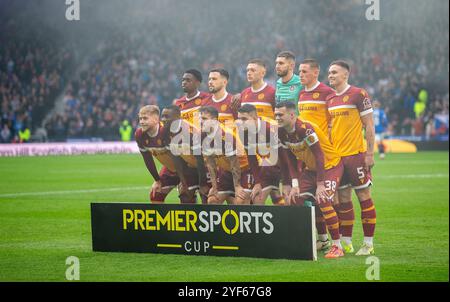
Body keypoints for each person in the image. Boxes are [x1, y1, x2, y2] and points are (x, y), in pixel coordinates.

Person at [275, 101, 345, 258]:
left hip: (330, 166)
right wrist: (294, 184)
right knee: (294, 199)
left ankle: (337, 246)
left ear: (292, 115)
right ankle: (312, 240)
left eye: (280, 114)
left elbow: (320, 156)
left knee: (323, 198)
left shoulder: (305, 129)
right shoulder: (280, 132)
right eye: (276, 114)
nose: (277, 117)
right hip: (311, 170)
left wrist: (320, 184)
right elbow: (290, 160)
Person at [327, 60, 377, 256]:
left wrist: (370, 153)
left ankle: (368, 243)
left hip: (356, 155)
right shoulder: (330, 99)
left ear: (345, 75)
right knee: (344, 199)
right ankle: (346, 242)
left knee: (364, 196)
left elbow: (369, 125)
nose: (330, 75)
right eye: (329, 73)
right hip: (338, 159)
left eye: (334, 72)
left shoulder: (358, 94)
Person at [298, 58, 337, 251]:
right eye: (300, 71)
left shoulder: (327, 92)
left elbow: (332, 122)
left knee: (331, 200)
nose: (301, 75)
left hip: (325, 152)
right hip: (306, 155)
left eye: (304, 71)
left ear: (315, 73)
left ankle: (341, 242)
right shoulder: (301, 94)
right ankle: (322, 239)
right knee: (310, 199)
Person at [135, 105, 193, 204]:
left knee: (186, 196)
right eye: (140, 118)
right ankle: (161, 219)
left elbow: (179, 159)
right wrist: (157, 180)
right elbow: (148, 159)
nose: (141, 122)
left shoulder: (167, 131)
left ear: (156, 119)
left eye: (145, 118)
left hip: (186, 168)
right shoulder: (139, 135)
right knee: (155, 194)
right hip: (170, 169)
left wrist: (183, 181)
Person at [199, 106, 252, 205]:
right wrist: (214, 187)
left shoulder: (226, 135)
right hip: (226, 171)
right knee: (212, 200)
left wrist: (237, 186)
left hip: (244, 170)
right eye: (200, 118)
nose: (201, 121)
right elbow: (210, 164)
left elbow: (234, 163)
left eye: (204, 119)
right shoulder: (203, 136)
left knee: (241, 201)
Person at [235, 104, 284, 205]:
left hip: (285, 165)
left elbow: (286, 155)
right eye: (239, 119)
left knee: (291, 200)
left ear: (254, 118)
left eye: (244, 119)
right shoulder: (242, 132)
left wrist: (289, 181)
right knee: (256, 199)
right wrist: (258, 182)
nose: (240, 122)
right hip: (267, 167)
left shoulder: (271, 128)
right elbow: (252, 159)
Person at [162, 105, 210, 204]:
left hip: (206, 167)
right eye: (162, 116)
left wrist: (202, 184)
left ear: (178, 117)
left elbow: (200, 160)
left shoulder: (190, 132)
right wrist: (183, 182)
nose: (163, 119)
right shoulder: (165, 132)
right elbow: (176, 158)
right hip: (190, 167)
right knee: (185, 195)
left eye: (167, 116)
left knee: (206, 196)